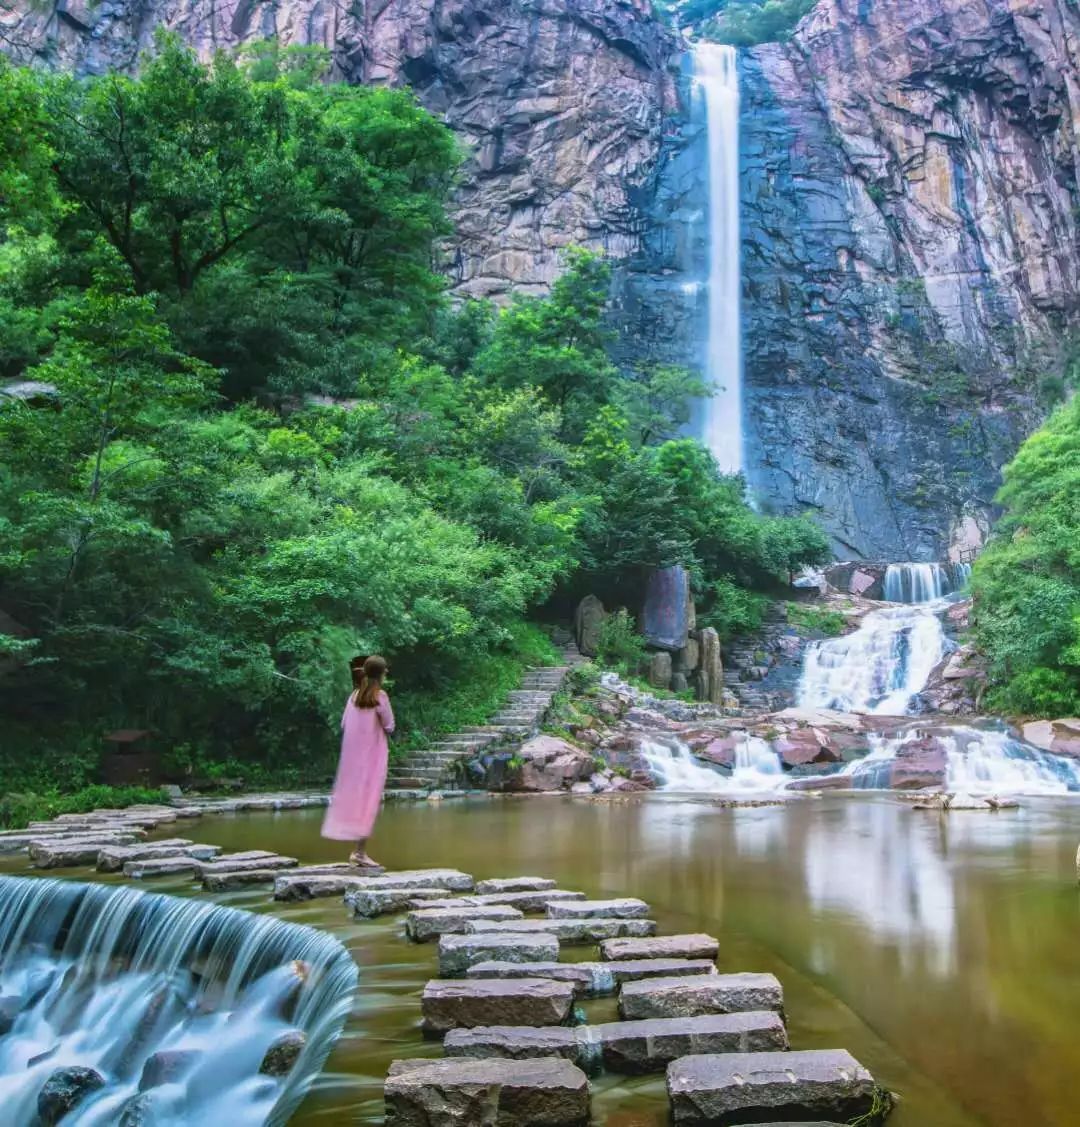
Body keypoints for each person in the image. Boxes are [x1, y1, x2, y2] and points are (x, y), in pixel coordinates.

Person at [321, 654, 394, 868]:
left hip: (354, 757)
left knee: (358, 799)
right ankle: (359, 853)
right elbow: (389, 726)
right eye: (385, 670)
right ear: (380, 673)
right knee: (369, 801)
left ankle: (359, 851)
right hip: (373, 755)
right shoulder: (380, 696)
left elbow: (344, 724)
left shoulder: (354, 696)